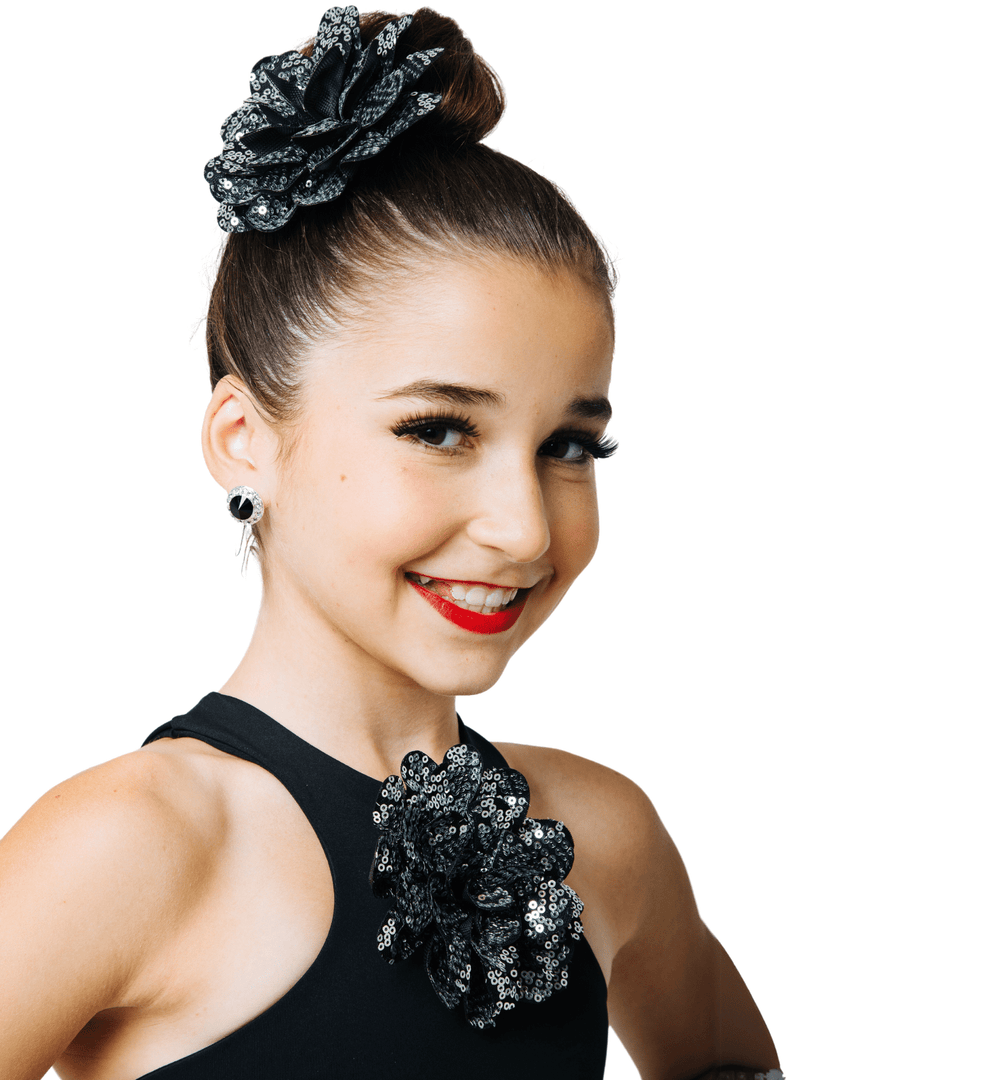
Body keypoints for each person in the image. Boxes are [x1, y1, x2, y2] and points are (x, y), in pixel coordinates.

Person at [0, 8, 782, 1079]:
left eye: (569, 445)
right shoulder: (129, 845)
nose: (523, 527)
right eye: (439, 431)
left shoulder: (604, 838)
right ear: (243, 441)